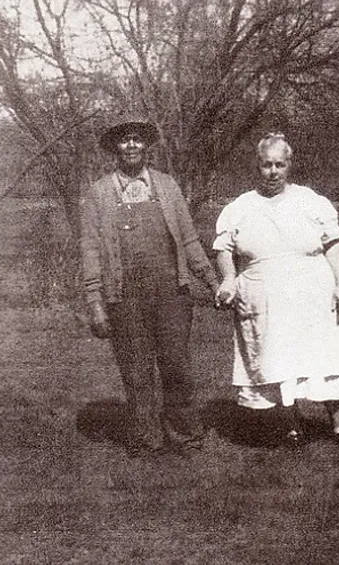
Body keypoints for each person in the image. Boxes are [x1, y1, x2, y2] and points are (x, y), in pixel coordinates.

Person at [80, 112, 219, 456]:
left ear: (146, 145)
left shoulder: (167, 186)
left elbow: (188, 240)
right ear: (115, 147)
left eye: (137, 138)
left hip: (172, 293)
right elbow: (91, 251)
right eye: (124, 139)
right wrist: (96, 303)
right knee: (137, 371)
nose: (130, 144)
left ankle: (186, 435)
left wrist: (214, 282)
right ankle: (146, 439)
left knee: (176, 366)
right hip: (124, 297)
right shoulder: (98, 194)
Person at [213, 133, 339, 444]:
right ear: (257, 166)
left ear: (289, 165)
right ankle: (292, 426)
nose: (273, 171)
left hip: (313, 292)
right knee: (278, 359)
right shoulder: (240, 207)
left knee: (328, 357)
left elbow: (333, 245)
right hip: (264, 296)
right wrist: (228, 278)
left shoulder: (310, 201)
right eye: (267, 165)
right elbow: (223, 249)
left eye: (280, 164)